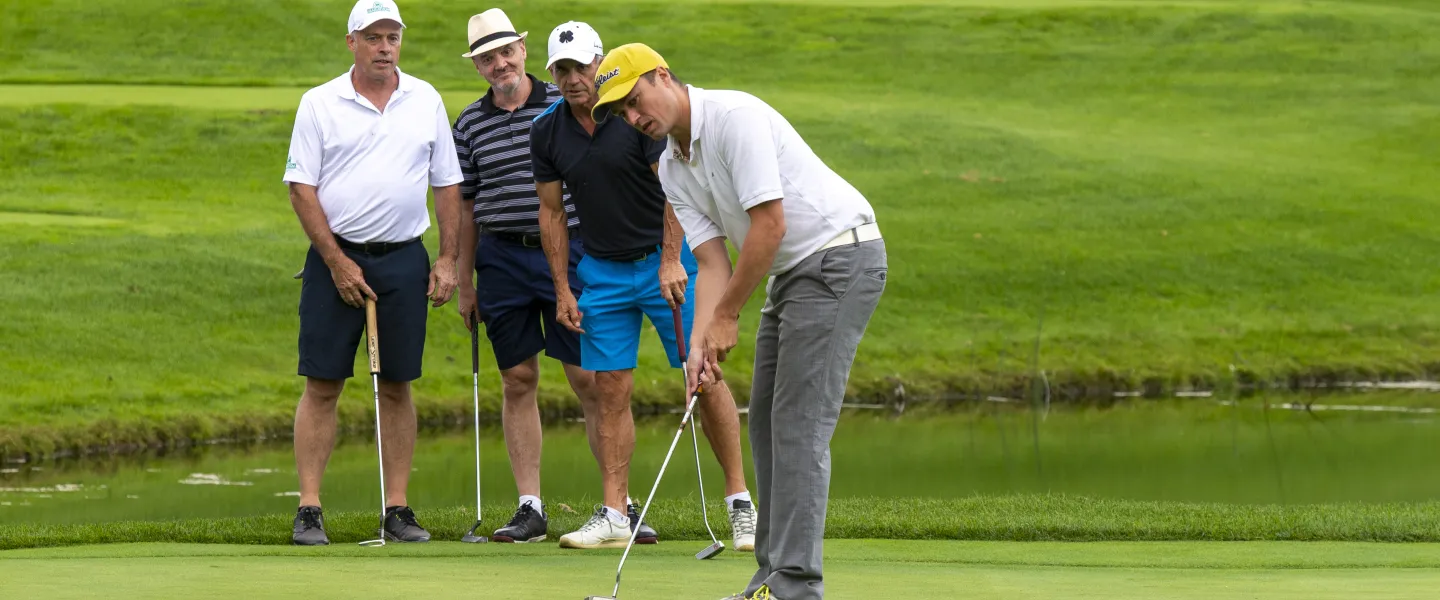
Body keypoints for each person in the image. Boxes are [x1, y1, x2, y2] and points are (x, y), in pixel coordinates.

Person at [593, 43, 888, 600]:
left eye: (634, 101)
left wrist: (728, 315)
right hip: (793, 273)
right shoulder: (669, 167)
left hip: (839, 256)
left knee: (798, 427)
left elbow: (769, 225)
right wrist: (699, 347)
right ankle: (771, 579)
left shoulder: (735, 118)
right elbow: (710, 262)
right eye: (622, 113)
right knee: (765, 428)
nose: (634, 118)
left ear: (663, 75)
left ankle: (795, 587)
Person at [529, 23, 757, 551]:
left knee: (703, 375)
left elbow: (672, 188)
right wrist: (562, 288)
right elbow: (550, 213)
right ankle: (614, 513)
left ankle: (739, 501)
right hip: (602, 272)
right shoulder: (546, 131)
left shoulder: (635, 115)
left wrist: (673, 256)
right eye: (560, 71)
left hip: (666, 264)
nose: (571, 79)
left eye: (580, 67)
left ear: (598, 64)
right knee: (608, 389)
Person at [282, 0, 463, 546]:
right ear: (352, 42)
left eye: (393, 37)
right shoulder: (319, 103)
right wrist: (336, 261)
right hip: (336, 257)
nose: (386, 47)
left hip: (405, 258)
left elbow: (447, 183)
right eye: (374, 37)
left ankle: (398, 508)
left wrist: (449, 258)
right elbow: (301, 187)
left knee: (398, 385)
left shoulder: (424, 97)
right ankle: (310, 508)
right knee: (322, 383)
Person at [450, 8, 611, 544]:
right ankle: (530, 507)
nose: (499, 64)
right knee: (517, 379)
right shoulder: (470, 123)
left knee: (588, 376)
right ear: (477, 67)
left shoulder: (562, 101)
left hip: (568, 252)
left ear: (522, 50)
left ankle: (618, 503)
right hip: (502, 259)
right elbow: (467, 206)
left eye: (505, 52)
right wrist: (466, 280)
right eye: (486, 58)